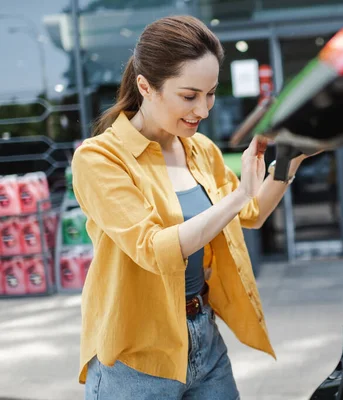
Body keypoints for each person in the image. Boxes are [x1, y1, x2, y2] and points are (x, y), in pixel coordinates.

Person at [72, 15, 312, 399]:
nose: (203, 109)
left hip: (204, 336)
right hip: (135, 358)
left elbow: (251, 214)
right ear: (146, 87)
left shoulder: (199, 149)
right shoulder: (100, 159)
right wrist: (238, 195)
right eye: (189, 96)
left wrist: (291, 159)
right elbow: (153, 248)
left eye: (211, 93)